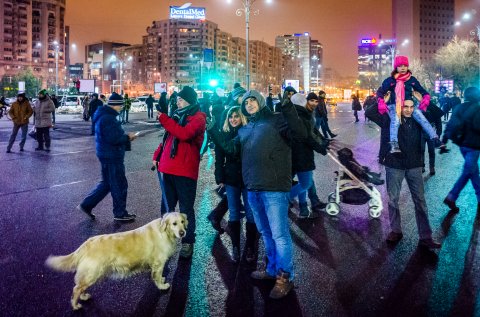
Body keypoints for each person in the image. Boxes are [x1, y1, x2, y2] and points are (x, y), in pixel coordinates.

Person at [207, 90, 307, 299]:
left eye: (253, 100)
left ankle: (285, 277)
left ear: (260, 102)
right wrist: (214, 130)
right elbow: (230, 149)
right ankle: (271, 269)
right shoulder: (245, 129)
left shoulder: (277, 120)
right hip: (253, 188)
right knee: (266, 232)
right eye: (246, 102)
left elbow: (300, 134)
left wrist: (287, 107)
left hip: (275, 189)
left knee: (280, 235)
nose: (249, 103)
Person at [377, 95, 441, 249]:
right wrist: (382, 100)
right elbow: (371, 113)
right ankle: (396, 231)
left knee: (420, 201)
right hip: (394, 164)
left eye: (412, 107)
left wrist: (424, 98)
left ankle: (426, 236)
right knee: (393, 199)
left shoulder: (418, 118)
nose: (409, 110)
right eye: (405, 106)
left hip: (414, 165)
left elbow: (437, 112)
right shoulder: (389, 118)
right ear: (399, 106)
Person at [152, 86, 206, 259]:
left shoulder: (198, 118)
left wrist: (164, 119)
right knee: (166, 208)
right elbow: (168, 138)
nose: (177, 102)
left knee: (185, 210)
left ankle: (187, 242)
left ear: (189, 101)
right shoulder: (177, 116)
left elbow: (183, 134)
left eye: (181, 99)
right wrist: (157, 154)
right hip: (168, 168)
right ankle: (164, 240)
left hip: (185, 171)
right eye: (177, 100)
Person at [77, 92, 138, 222]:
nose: (121, 108)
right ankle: (120, 213)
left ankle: (86, 205)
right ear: (115, 105)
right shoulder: (108, 118)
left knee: (107, 184)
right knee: (119, 184)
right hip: (112, 156)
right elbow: (113, 138)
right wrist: (128, 137)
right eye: (120, 105)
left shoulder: (104, 115)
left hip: (106, 154)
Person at [212, 106, 258, 263]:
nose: (233, 119)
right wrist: (220, 177)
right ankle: (236, 246)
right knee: (234, 213)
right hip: (231, 178)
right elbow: (219, 159)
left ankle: (251, 246)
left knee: (251, 213)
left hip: (247, 178)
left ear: (242, 117)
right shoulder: (224, 134)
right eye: (230, 116)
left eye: (236, 116)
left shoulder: (247, 132)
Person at [377, 55, 444, 154]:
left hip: (409, 104)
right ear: (396, 67)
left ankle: (435, 139)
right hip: (394, 105)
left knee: (422, 119)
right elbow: (380, 92)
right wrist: (381, 101)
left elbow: (422, 91)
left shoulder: (412, 79)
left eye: (405, 65)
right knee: (395, 121)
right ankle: (394, 143)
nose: (403, 68)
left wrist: (425, 98)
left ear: (407, 66)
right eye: (400, 66)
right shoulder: (390, 80)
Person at [289, 93, 328, 218]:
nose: (313, 104)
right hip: (302, 155)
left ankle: (304, 207)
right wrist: (321, 148)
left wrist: (323, 141)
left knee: (303, 182)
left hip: (295, 154)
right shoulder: (302, 116)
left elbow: (313, 132)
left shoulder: (295, 115)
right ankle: (285, 199)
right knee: (306, 183)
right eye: (310, 101)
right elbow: (308, 137)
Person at [442, 87, 480, 213]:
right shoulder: (478, 108)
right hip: (474, 147)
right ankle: (452, 196)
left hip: (462, 145)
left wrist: (444, 140)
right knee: (468, 172)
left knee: (473, 172)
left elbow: (450, 124)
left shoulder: (459, 107)